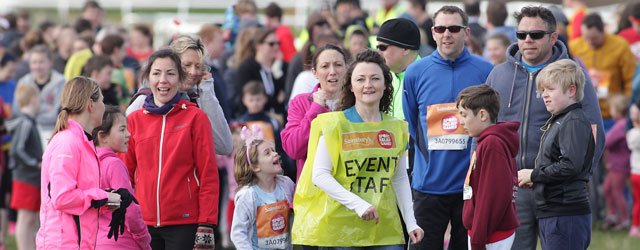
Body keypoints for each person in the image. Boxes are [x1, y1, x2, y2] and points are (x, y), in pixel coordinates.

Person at [484, 6, 605, 250]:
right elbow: (485, 132)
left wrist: (585, 175)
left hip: (558, 191)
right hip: (513, 189)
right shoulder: (498, 75)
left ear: (553, 37)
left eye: (536, 34)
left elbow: (593, 129)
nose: (527, 40)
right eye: (521, 34)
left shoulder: (572, 73)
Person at [292, 49, 423, 248]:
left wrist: (411, 221)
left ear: (386, 85)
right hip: (340, 229)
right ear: (351, 86)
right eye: (360, 79)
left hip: (383, 227)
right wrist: (360, 205)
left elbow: (399, 177)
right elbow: (320, 175)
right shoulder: (335, 124)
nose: (368, 85)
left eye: (375, 78)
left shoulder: (395, 127)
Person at [403, 5, 493, 250]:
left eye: (454, 28)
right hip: (428, 185)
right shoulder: (415, 72)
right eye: (441, 28)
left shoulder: (486, 71)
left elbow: (492, 123)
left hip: (470, 186)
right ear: (432, 32)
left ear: (466, 32)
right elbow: (412, 122)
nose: (447, 34)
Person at [124, 49, 219, 250]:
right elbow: (125, 173)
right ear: (148, 78)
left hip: (184, 222)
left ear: (180, 78)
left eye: (170, 73)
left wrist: (206, 223)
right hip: (144, 223)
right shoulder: (134, 120)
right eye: (157, 73)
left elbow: (208, 174)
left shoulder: (196, 118)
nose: (163, 80)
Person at [36, 76, 130, 249]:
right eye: (102, 100)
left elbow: (83, 196)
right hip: (63, 243)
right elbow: (62, 198)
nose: (104, 105)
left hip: (80, 242)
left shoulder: (81, 141)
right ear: (90, 104)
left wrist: (114, 199)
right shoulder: (67, 142)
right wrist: (104, 196)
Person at [517, 59, 594, 250]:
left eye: (550, 89)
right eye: (543, 91)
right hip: (553, 211)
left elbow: (570, 165)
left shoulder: (573, 121)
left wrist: (534, 174)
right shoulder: (561, 120)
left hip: (565, 212)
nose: (545, 95)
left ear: (571, 90)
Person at [127, 35, 233, 155]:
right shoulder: (145, 100)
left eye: (198, 66)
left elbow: (224, 146)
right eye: (187, 65)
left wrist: (207, 91)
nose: (193, 72)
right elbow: (123, 146)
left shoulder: (197, 100)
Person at [456, 85, 519, 250]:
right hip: (485, 234)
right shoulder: (487, 141)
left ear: (482, 114)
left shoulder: (492, 144)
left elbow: (491, 197)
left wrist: (478, 240)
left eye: (464, 114)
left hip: (491, 236)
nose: (461, 121)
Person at [281, 44, 349, 181]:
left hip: (350, 191)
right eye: (325, 66)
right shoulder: (300, 102)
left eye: (338, 65)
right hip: (312, 194)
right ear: (314, 72)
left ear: (347, 68)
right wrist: (316, 109)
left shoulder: (356, 103)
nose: (332, 71)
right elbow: (293, 149)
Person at [94, 106, 151, 249]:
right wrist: (144, 239)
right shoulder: (114, 165)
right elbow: (130, 209)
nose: (129, 134)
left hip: (96, 241)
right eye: (122, 129)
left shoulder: (88, 164)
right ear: (103, 136)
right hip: (121, 242)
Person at [230, 125, 295, 249]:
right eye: (267, 153)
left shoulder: (286, 184)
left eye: (273, 150)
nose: (275, 154)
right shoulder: (248, 196)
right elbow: (238, 234)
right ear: (255, 167)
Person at [569, 13, 636, 121]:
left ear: (603, 31)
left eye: (594, 38)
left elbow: (631, 78)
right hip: (584, 111)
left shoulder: (620, 46)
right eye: (586, 38)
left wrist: (627, 104)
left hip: (612, 113)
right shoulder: (575, 46)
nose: (590, 42)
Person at [9, 84, 42, 250]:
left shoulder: (29, 121)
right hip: (25, 177)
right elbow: (17, 150)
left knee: (30, 218)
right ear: (33, 99)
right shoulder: (25, 122)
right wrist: (35, 163)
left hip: (31, 177)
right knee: (24, 218)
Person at [15, 45, 66, 140]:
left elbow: (58, 113)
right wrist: (47, 108)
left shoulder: (61, 82)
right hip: (28, 131)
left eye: (41, 62)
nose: (37, 66)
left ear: (50, 62)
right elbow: (17, 110)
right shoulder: (23, 82)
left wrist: (32, 112)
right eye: (34, 62)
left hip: (53, 132)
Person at [376, 18, 421, 120]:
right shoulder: (382, 76)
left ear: (405, 49)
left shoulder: (426, 78)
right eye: (377, 47)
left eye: (383, 48)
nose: (379, 52)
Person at [601, 95, 631, 230]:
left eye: (612, 109)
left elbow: (608, 141)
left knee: (617, 191)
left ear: (619, 110)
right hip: (615, 164)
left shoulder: (622, 125)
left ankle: (624, 219)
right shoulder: (620, 124)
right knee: (607, 189)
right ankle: (612, 215)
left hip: (620, 165)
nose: (610, 112)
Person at [626, 101, 640, 238]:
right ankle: (636, 227)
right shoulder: (635, 134)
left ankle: (635, 226)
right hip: (638, 174)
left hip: (634, 172)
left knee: (637, 201)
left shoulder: (631, 133)